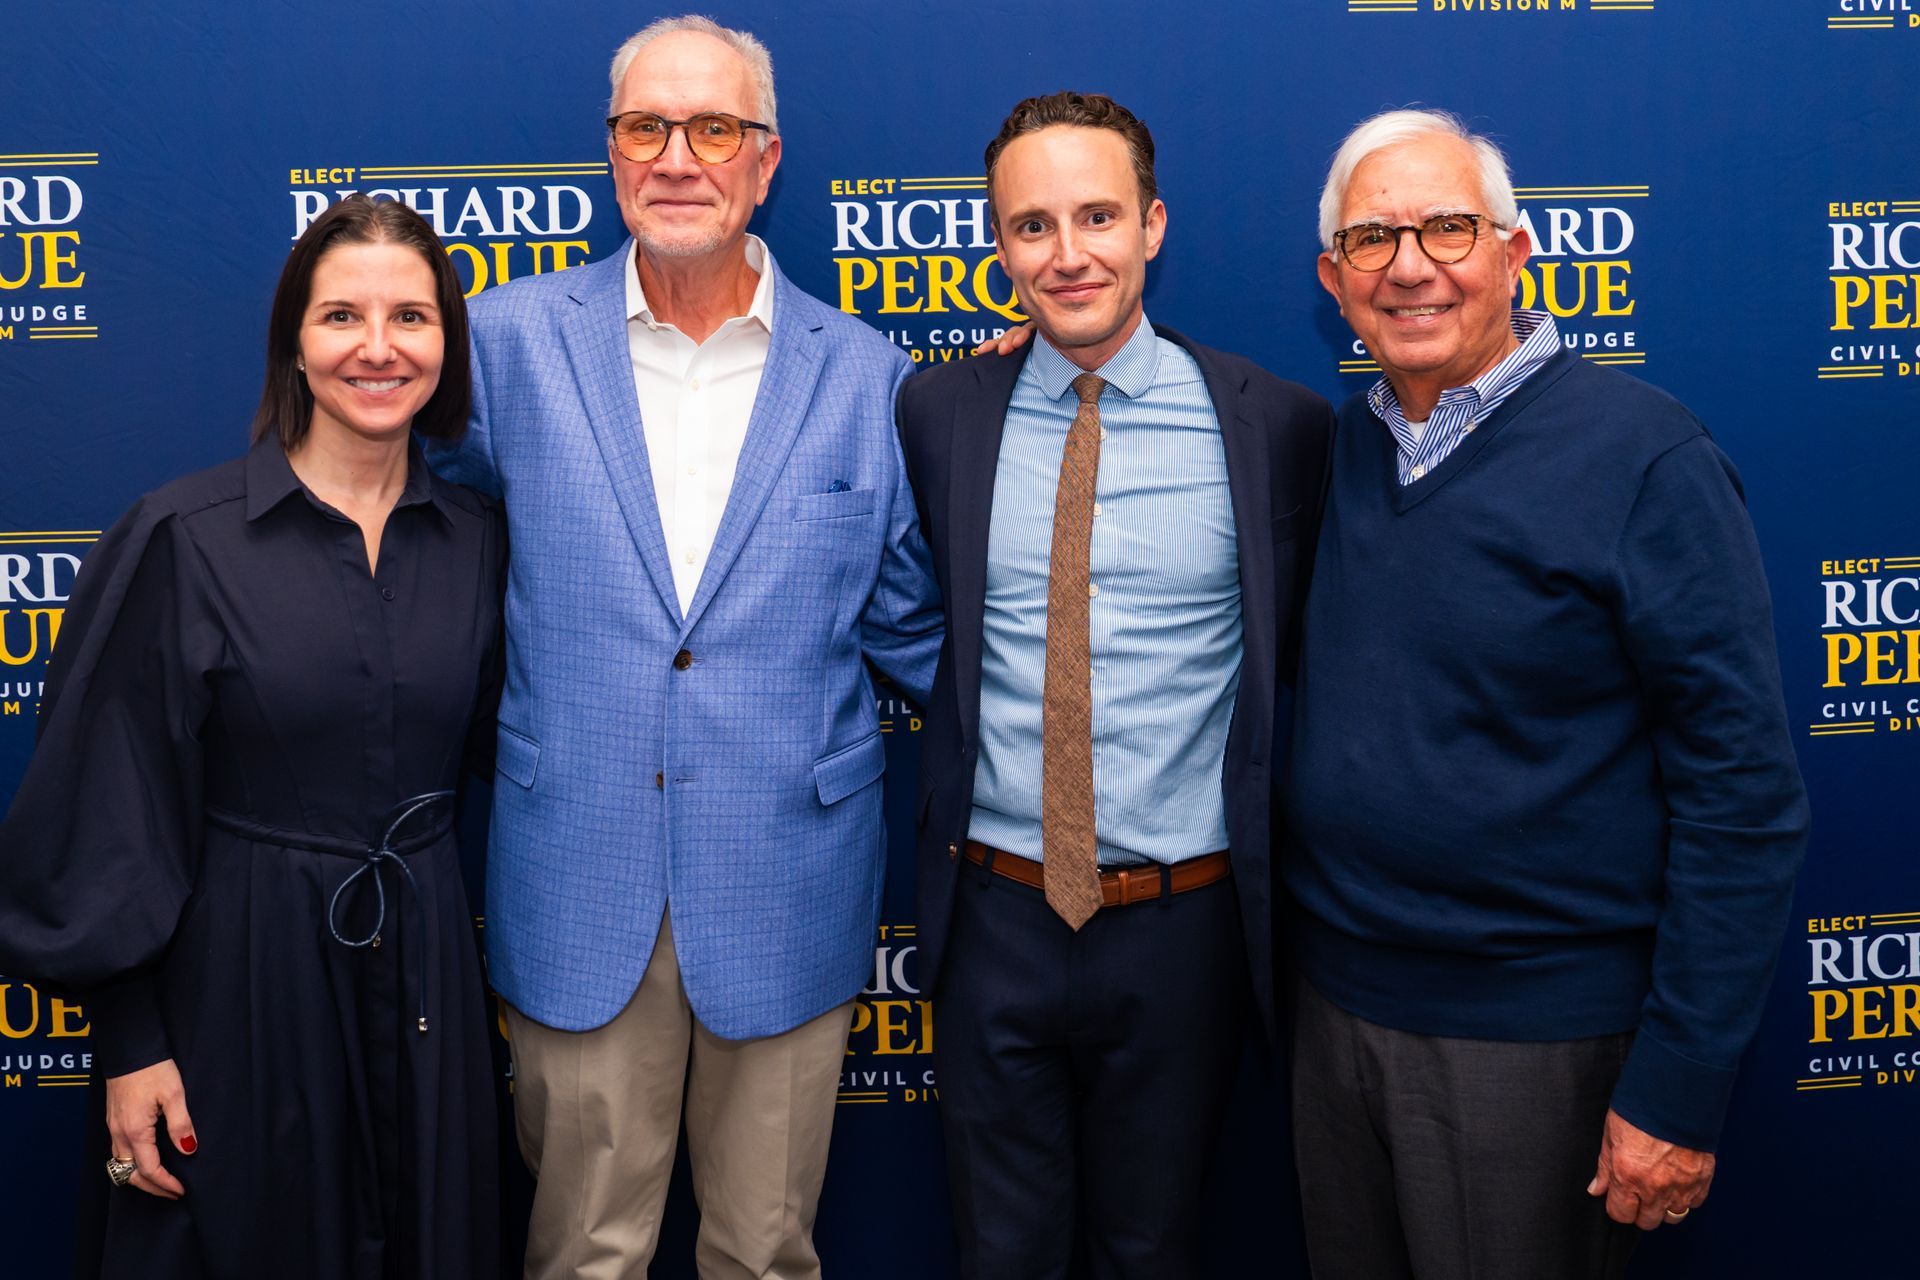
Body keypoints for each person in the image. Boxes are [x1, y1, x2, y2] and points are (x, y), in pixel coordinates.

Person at [425, 16, 942, 1279]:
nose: (676, 156)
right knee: (581, 1251)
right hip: (575, 881)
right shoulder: (499, 346)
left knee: (765, 1251)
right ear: (611, 153)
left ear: (766, 161)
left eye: (714, 128)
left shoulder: (870, 375)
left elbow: (917, 623)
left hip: (790, 886)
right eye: (645, 127)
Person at [1284, 108, 1809, 1279]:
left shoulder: (1645, 458)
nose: (1411, 263)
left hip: (1538, 1045)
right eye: (1373, 238)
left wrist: (1677, 1084)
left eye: (1449, 229)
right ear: (1333, 278)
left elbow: (1745, 800)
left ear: (1517, 252)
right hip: (1336, 1022)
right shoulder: (1341, 450)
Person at [0, 194, 504, 1278]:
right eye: (341, 317)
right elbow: (106, 808)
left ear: (448, 346)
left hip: (427, 984)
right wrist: (129, 1043)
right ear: (293, 341)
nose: (378, 348)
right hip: (238, 986)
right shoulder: (182, 539)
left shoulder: (478, 542)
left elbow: (537, 749)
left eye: (412, 317)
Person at [896, 92, 1332, 1279]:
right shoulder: (937, 411)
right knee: (1002, 1253)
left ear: (1153, 223)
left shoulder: (1277, 426)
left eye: (1097, 215)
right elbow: (901, 609)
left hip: (1181, 925)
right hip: (992, 916)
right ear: (997, 245)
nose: (1067, 252)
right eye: (1031, 225)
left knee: (1157, 1249)